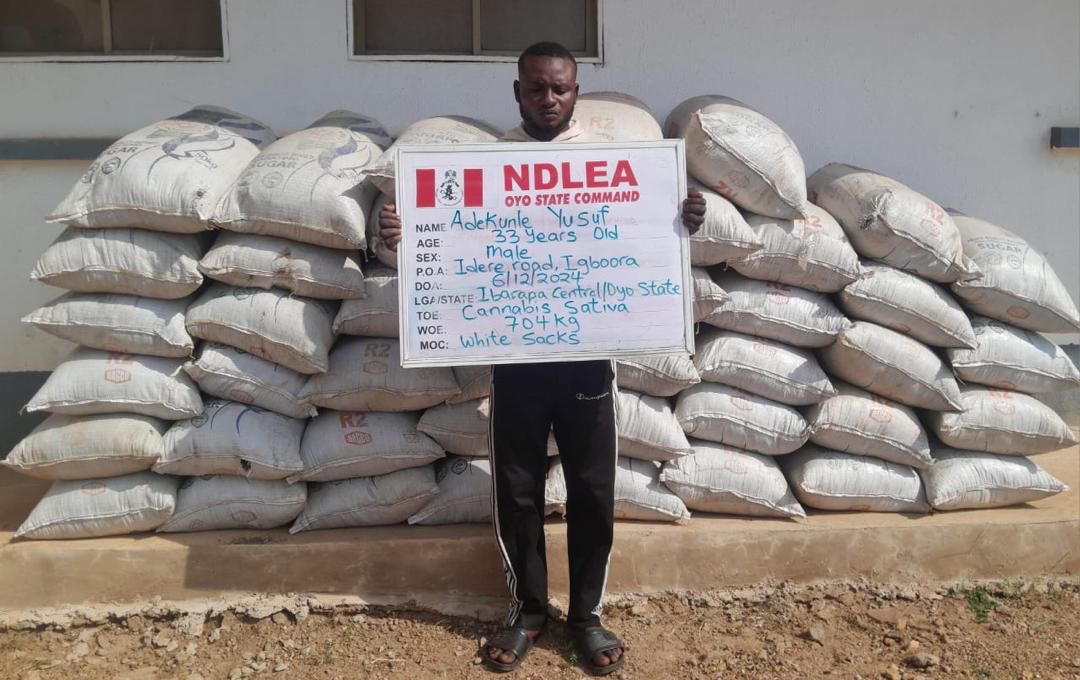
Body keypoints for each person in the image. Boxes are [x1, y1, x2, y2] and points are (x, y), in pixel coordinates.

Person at [379, 41, 706, 675]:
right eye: (536, 88)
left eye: (560, 88)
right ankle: (528, 612)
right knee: (518, 488)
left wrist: (683, 218)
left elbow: (645, 233)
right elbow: (443, 241)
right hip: (516, 363)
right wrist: (399, 233)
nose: (549, 99)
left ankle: (586, 616)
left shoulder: (610, 165)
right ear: (517, 92)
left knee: (592, 489)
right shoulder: (488, 164)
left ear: (576, 92)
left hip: (588, 364)